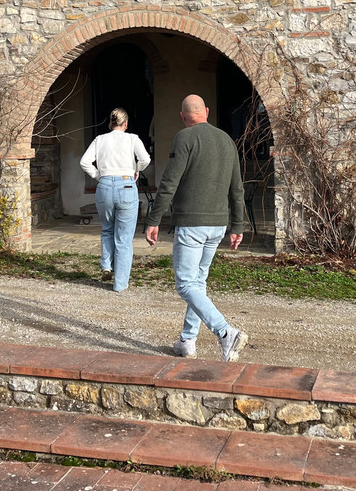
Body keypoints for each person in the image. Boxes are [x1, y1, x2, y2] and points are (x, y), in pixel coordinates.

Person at [145, 94, 248, 361]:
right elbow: (237, 188)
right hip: (218, 224)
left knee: (185, 285)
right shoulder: (227, 140)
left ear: (183, 116)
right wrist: (238, 224)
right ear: (207, 112)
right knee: (197, 283)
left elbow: (169, 182)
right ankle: (187, 341)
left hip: (192, 224)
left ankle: (225, 332)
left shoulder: (184, 137)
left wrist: (153, 219)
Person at [80, 108, 151, 292]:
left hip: (104, 186)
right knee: (124, 238)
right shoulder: (132, 139)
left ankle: (106, 265)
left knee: (107, 229)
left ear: (110, 123)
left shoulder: (100, 139)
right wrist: (136, 169)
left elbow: (84, 162)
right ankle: (119, 284)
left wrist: (99, 176)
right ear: (125, 124)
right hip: (126, 185)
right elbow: (145, 159)